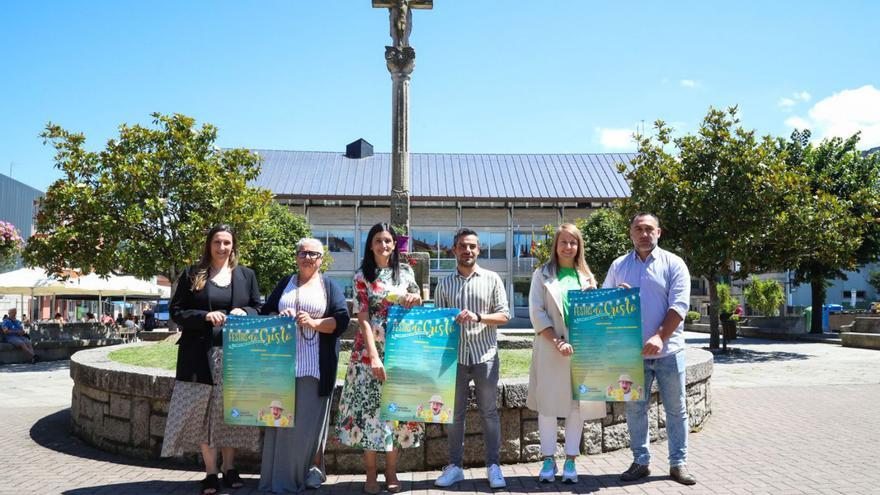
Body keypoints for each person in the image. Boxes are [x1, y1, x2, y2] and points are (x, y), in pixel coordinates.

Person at [160, 225, 263, 495]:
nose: (221, 247)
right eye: (217, 242)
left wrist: (245, 311)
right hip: (199, 354)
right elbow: (177, 311)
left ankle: (230, 468)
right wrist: (204, 317)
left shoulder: (246, 275)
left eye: (227, 242)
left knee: (231, 412)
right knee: (204, 415)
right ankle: (210, 472)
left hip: (237, 355)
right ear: (209, 245)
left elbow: (259, 307)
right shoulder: (193, 274)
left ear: (233, 246)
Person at [602, 212, 695, 485]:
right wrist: (615, 296)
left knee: (676, 409)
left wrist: (659, 337)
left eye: (649, 229)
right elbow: (605, 303)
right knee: (634, 409)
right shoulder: (618, 266)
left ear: (659, 232)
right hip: (631, 355)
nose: (644, 234)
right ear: (630, 233)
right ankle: (640, 462)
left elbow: (679, 307)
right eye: (638, 229)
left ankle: (678, 463)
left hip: (669, 352)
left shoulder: (674, 264)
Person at [335, 223, 422, 495]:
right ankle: (370, 472)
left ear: (394, 245)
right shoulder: (363, 275)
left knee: (395, 410)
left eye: (388, 241)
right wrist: (373, 356)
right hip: (368, 351)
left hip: (401, 349)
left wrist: (413, 298)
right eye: (378, 241)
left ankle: (391, 470)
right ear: (370, 245)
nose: (383, 245)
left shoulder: (406, 271)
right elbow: (362, 318)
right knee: (369, 412)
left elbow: (419, 299)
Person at [259, 237, 351, 493]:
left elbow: (342, 321)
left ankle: (306, 474)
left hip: (315, 367)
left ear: (321, 259)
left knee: (307, 427)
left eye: (313, 254)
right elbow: (265, 312)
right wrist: (280, 316)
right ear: (296, 257)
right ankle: (280, 477)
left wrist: (314, 323)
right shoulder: (285, 284)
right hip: (282, 366)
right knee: (281, 424)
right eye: (303, 253)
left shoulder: (329, 286)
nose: (308, 257)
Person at [526, 223, 605, 484]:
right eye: (563, 242)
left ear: (578, 246)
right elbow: (537, 313)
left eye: (573, 242)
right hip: (551, 349)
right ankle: (548, 460)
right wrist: (557, 341)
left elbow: (597, 313)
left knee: (576, 406)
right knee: (548, 407)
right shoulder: (542, 274)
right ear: (556, 245)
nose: (568, 246)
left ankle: (571, 460)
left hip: (582, 351)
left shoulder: (588, 277)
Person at [432, 228, 511, 489]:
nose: (468, 251)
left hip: (484, 355)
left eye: (472, 247)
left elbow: (504, 315)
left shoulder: (492, 279)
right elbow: (438, 323)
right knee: (455, 414)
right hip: (454, 358)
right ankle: (455, 467)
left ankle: (493, 466)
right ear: (454, 249)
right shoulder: (443, 284)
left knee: (489, 412)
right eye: (463, 246)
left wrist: (478, 317)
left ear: (479, 250)